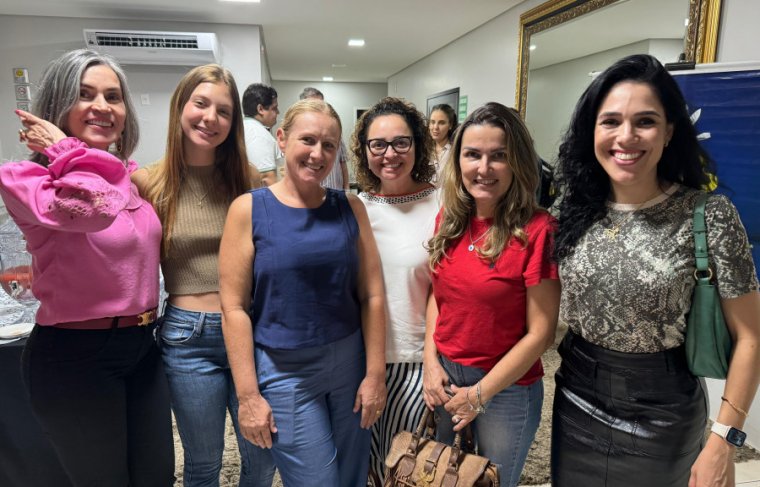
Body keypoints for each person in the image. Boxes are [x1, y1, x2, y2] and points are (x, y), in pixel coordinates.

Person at [551, 54, 760, 487]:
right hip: (575, 394)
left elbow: (751, 337)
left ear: (668, 132)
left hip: (663, 410)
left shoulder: (707, 215)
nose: (625, 137)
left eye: (644, 121)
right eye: (610, 121)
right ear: (592, 130)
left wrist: (723, 439)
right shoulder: (571, 209)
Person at [0, 49, 174, 486]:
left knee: (156, 476)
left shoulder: (130, 177)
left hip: (143, 344)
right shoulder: (24, 178)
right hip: (74, 356)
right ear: (58, 104)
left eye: (113, 96)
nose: (102, 107)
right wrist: (63, 149)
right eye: (84, 94)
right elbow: (94, 210)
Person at [219, 99, 387, 486]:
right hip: (284, 372)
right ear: (281, 138)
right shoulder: (248, 209)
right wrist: (248, 397)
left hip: (349, 363)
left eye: (329, 145)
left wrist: (374, 375)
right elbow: (233, 308)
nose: (318, 154)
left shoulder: (350, 207)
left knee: (351, 478)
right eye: (307, 140)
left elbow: (373, 295)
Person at [131, 65, 272, 487]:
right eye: (201, 103)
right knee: (204, 462)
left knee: (263, 458)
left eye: (224, 111)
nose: (211, 118)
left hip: (249, 329)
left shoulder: (249, 181)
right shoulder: (148, 182)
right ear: (181, 107)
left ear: (234, 123)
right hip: (187, 338)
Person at [423, 102, 560, 487]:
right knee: (443, 478)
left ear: (517, 162)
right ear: (458, 159)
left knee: (492, 482)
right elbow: (438, 296)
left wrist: (480, 394)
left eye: (498, 156)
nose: (483, 168)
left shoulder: (538, 229)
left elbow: (542, 333)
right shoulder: (450, 217)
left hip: (506, 389)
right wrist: (429, 361)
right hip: (446, 376)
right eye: (472, 155)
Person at [352, 97, 439, 480]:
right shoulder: (354, 207)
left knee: (409, 467)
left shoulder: (443, 202)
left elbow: (447, 288)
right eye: (379, 144)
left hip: (418, 362)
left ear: (418, 145)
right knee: (365, 466)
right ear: (365, 151)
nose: (390, 154)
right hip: (358, 360)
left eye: (401, 143)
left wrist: (433, 364)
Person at [299, 86, 351, 191]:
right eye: (313, 105)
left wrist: (347, 188)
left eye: (321, 104)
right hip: (309, 194)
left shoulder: (336, 135)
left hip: (335, 193)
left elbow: (343, 164)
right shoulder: (297, 135)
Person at [242, 83, 281, 187]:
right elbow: (267, 178)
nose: (278, 112)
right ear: (261, 109)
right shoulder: (259, 134)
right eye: (274, 108)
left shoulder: (243, 127)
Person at [428, 103, 457, 183]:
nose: (435, 127)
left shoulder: (455, 151)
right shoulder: (424, 150)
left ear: (450, 125)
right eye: (432, 122)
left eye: (441, 123)